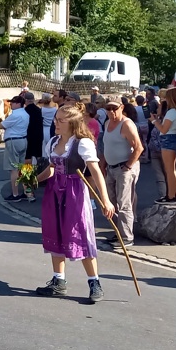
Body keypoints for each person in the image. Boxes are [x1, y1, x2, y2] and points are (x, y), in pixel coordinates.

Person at [34, 103, 115, 304]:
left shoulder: (83, 143)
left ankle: (94, 282)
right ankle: (58, 281)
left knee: (80, 233)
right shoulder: (52, 142)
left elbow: (96, 173)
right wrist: (35, 179)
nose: (56, 123)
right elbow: (53, 168)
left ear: (72, 122)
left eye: (60, 120)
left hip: (75, 192)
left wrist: (105, 201)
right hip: (54, 192)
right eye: (56, 119)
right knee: (55, 232)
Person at [102, 100, 144, 248]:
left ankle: (127, 237)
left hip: (124, 168)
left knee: (124, 202)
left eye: (115, 108)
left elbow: (139, 147)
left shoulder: (126, 124)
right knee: (111, 202)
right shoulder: (107, 124)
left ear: (122, 108)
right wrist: (103, 166)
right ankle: (118, 232)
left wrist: (128, 166)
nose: (112, 112)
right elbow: (106, 146)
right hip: (111, 168)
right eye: (108, 109)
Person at [150, 87, 176, 204]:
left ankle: (171, 196)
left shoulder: (171, 112)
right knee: (172, 169)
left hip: (168, 139)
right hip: (172, 138)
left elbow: (164, 129)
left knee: (169, 170)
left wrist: (153, 121)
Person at [0, 96, 29, 202]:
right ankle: (27, 192)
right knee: (22, 168)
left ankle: (15, 194)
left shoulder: (15, 115)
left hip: (13, 141)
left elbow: (0, 126)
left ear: (18, 103)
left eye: (13, 103)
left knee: (14, 169)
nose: (11, 104)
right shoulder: (25, 114)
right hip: (23, 139)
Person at [23, 92, 44, 165]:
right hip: (38, 135)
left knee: (28, 156)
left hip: (28, 135)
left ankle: (28, 173)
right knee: (38, 155)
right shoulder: (38, 110)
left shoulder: (25, 111)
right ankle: (39, 171)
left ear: (25, 100)